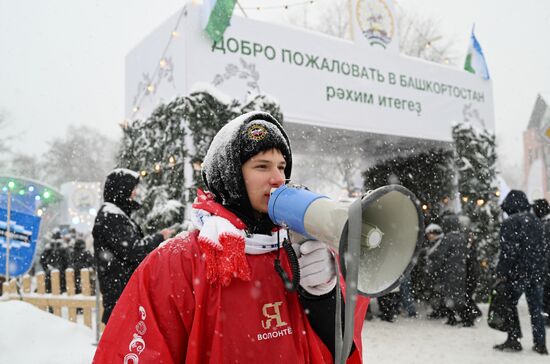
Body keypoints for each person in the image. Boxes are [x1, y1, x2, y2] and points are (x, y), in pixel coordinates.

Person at [93, 111, 369, 363]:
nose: (277, 178)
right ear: (230, 176)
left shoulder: (296, 249)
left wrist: (323, 299)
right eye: (262, 166)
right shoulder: (178, 261)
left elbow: (337, 351)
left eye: (282, 166)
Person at [92, 168, 174, 324]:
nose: (135, 193)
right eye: (132, 189)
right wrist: (159, 237)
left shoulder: (115, 214)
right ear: (121, 189)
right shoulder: (111, 216)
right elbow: (134, 250)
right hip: (122, 296)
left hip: (124, 295)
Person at [493, 190, 548, 355]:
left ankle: (514, 339)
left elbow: (508, 251)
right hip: (535, 273)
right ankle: (540, 344)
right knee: (536, 310)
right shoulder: (537, 222)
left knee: (509, 304)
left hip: (517, 273)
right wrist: (541, 270)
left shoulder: (510, 223)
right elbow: (543, 250)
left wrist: (502, 271)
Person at [427, 213, 468, 326]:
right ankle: (464, 316)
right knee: (458, 295)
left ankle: (456, 318)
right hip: (461, 270)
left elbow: (441, 256)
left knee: (449, 295)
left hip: (449, 271)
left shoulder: (448, 238)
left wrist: (434, 269)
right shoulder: (462, 237)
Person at [532, 198, 550, 326]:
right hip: (545, 264)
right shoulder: (543, 224)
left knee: (546, 290)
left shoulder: (544, 225)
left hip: (546, 264)